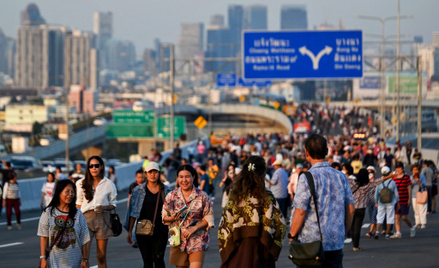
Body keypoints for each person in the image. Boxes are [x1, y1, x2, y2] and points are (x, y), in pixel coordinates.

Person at [289, 134, 355, 268]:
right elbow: (351, 209)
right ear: (326, 151)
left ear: (306, 153)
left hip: (311, 245)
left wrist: (292, 234)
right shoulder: (341, 176)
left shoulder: (306, 177)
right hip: (335, 243)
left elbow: (300, 211)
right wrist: (343, 231)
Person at [218, 156, 286, 268]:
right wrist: (272, 246)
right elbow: (280, 224)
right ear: (263, 173)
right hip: (261, 249)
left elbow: (224, 225)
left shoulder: (235, 194)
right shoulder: (267, 196)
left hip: (237, 249)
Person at [162, 164, 214, 268]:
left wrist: (194, 228)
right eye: (181, 177)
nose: (184, 180)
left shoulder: (202, 196)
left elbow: (208, 217)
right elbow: (164, 217)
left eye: (187, 176)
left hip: (198, 239)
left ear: (193, 177)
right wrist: (172, 218)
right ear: (177, 178)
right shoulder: (171, 196)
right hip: (178, 240)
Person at [124, 162, 171, 268]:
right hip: (142, 230)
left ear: (159, 173)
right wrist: (130, 231)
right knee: (147, 261)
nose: (153, 175)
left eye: (155, 172)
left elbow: (173, 211)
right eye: (150, 172)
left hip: (161, 229)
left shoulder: (167, 191)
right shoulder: (138, 191)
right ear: (146, 174)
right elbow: (132, 212)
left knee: (159, 258)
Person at [38, 179, 90, 268]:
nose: (70, 194)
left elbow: (84, 238)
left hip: (74, 262)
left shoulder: (78, 213)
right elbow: (43, 236)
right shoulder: (48, 212)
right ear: (59, 192)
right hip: (54, 263)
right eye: (67, 191)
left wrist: (85, 259)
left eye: (72, 192)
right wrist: (43, 258)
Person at [76, 156, 117, 268]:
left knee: (101, 256)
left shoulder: (109, 184)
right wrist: (76, 220)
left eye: (96, 165)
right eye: (91, 166)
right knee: (84, 257)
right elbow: (78, 203)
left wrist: (103, 208)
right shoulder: (80, 183)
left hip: (102, 219)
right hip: (85, 219)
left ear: (101, 167)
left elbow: (113, 204)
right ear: (88, 168)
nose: (94, 168)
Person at [348, 168, 373, 251]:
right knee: (357, 227)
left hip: (352, 207)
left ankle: (353, 244)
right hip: (361, 208)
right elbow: (378, 181)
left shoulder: (352, 182)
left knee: (352, 226)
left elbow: (344, 178)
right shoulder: (367, 185)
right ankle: (356, 246)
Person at [391, 162, 416, 238]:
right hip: (396, 201)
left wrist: (409, 199)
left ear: (402, 168)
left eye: (400, 168)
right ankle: (398, 233)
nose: (398, 169)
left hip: (404, 200)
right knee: (397, 217)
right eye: (397, 168)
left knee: (404, 217)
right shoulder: (393, 178)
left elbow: (409, 189)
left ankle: (412, 227)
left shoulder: (406, 177)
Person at [374, 166, 399, 239]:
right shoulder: (392, 182)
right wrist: (398, 201)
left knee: (380, 217)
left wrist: (376, 201)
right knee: (390, 217)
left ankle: (377, 232)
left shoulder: (379, 182)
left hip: (381, 202)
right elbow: (396, 194)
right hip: (390, 202)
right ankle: (387, 234)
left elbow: (376, 194)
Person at [127, 169, 146, 248]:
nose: (140, 179)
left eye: (142, 177)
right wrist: (129, 207)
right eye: (139, 177)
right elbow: (129, 198)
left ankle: (144, 240)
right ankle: (135, 241)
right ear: (136, 177)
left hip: (144, 207)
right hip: (135, 208)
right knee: (135, 225)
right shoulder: (132, 186)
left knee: (144, 224)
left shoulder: (147, 185)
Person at [411, 165, 427, 229]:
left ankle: (423, 223)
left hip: (421, 194)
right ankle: (417, 222)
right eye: (414, 170)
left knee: (422, 209)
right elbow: (410, 186)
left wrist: (418, 181)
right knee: (416, 210)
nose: (415, 171)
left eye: (416, 170)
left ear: (419, 170)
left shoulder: (422, 176)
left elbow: (424, 184)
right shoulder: (411, 177)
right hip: (414, 195)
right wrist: (413, 181)